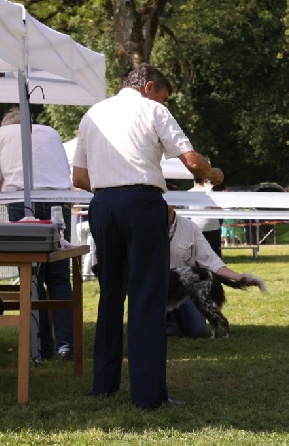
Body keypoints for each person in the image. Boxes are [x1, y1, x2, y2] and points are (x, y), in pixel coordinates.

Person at [72, 63, 224, 409]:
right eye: (164, 96)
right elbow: (192, 162)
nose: (165, 103)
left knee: (110, 295)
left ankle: (104, 385)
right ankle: (148, 394)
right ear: (149, 87)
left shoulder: (93, 113)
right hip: (141, 206)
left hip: (103, 206)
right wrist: (213, 171)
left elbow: (78, 177)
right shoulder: (153, 110)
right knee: (146, 298)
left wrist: (110, 185)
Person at [0, 108, 75, 361]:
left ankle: (42, 346)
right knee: (60, 278)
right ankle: (67, 345)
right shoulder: (51, 133)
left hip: (22, 200)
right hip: (59, 200)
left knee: (32, 275)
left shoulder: (3, 134)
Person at [166, 205, 260, 336]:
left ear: (174, 204)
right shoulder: (146, 226)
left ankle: (173, 323)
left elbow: (210, 260)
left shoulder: (189, 227)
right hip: (154, 290)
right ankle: (168, 324)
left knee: (197, 330)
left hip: (181, 291)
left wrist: (238, 277)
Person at [188, 177, 222, 258]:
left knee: (198, 252)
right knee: (214, 251)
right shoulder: (208, 190)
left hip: (196, 225)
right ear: (204, 179)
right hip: (211, 225)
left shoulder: (189, 192)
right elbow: (215, 207)